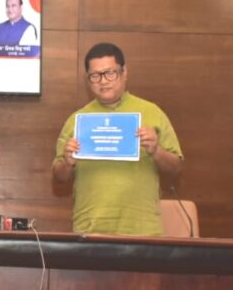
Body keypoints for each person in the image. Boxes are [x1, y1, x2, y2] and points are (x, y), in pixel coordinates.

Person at [52, 42, 183, 235]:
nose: (103, 81)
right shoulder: (77, 120)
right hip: (89, 230)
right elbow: (59, 177)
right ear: (87, 80)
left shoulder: (152, 112)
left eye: (110, 73)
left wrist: (156, 151)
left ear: (124, 72)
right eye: (95, 75)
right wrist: (67, 162)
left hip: (143, 231)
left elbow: (176, 168)